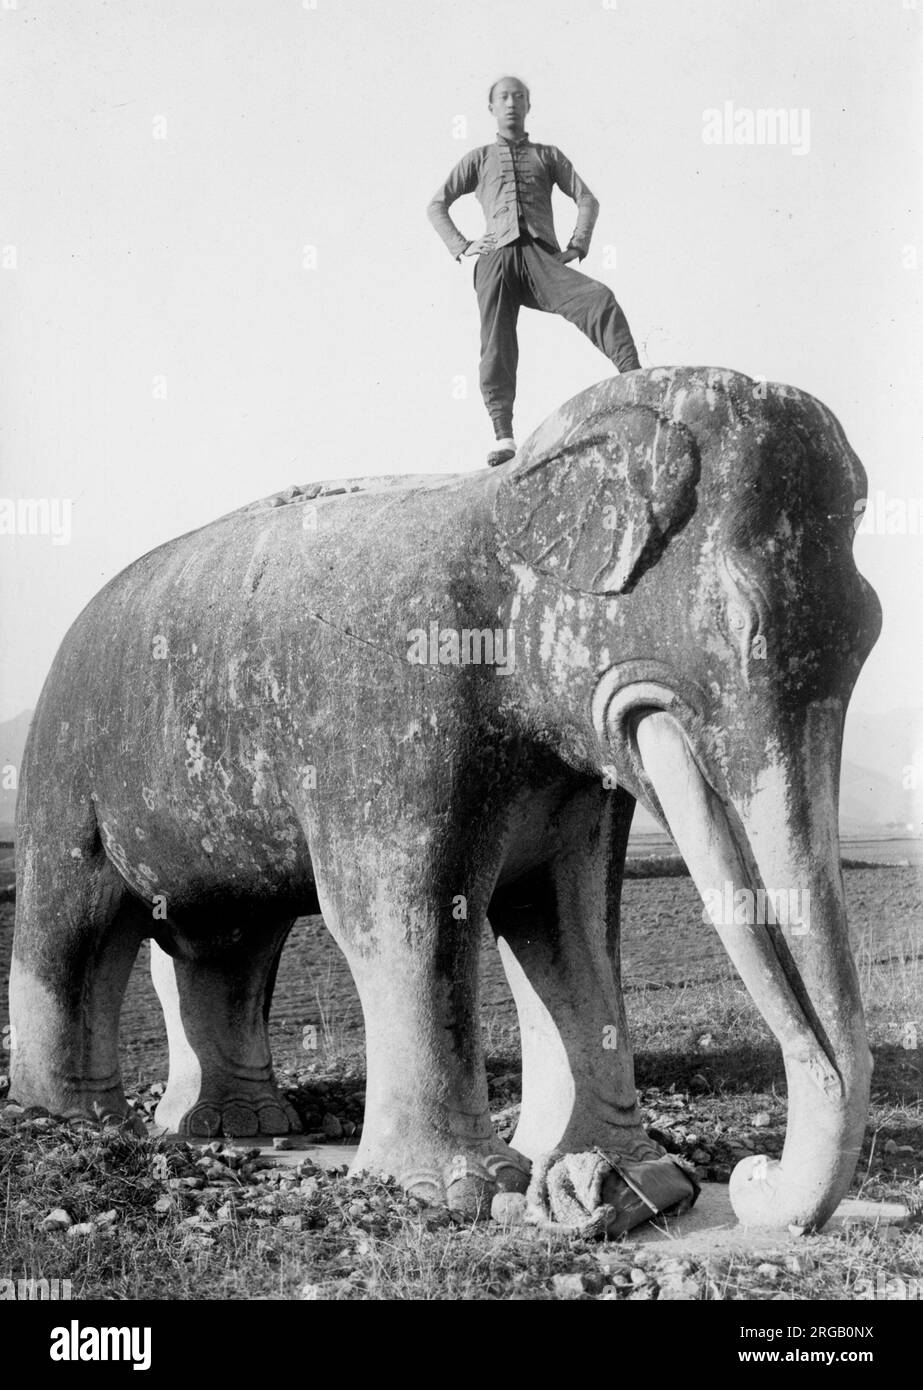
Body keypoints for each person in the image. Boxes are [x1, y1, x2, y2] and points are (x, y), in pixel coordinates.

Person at [428, 75, 641, 467]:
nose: (512, 103)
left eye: (519, 97)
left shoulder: (547, 155)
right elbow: (437, 205)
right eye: (504, 97)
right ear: (490, 108)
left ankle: (636, 380)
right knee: (496, 345)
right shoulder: (478, 158)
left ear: (529, 105)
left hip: (540, 259)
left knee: (598, 299)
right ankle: (503, 435)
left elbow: (586, 199)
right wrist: (463, 246)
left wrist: (577, 245)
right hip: (495, 261)